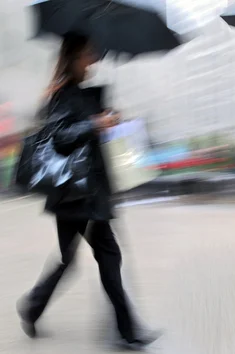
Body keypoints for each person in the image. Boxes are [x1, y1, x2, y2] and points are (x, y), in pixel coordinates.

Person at [16, 33, 159, 350]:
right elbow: (61, 138)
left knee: (75, 258)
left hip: (81, 194)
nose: (93, 60)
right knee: (106, 256)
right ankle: (126, 331)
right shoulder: (62, 94)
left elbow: (88, 130)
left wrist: (109, 119)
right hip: (76, 195)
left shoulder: (79, 93)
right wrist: (95, 124)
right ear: (73, 57)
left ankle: (33, 307)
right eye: (88, 54)